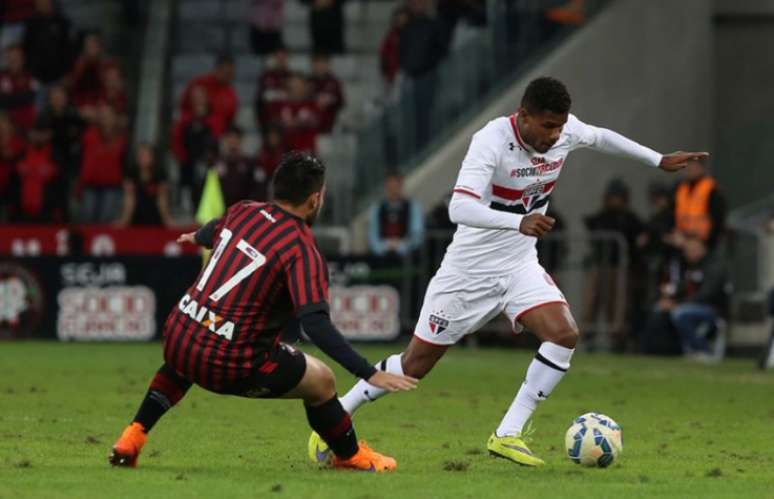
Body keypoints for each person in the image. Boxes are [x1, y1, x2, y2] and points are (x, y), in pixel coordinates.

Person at [310, 76, 709, 466]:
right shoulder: (490, 141)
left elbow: (602, 136)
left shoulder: (565, 131)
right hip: (468, 273)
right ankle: (338, 414)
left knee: (564, 334)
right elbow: (458, 208)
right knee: (415, 366)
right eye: (548, 126)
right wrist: (515, 222)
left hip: (519, 265)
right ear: (524, 116)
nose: (556, 135)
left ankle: (507, 434)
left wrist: (657, 159)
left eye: (560, 126)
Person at [109, 152, 417, 472]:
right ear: (314, 200)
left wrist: (197, 237)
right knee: (322, 382)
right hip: (231, 363)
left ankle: (133, 435)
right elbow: (314, 323)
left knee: (192, 347)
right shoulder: (300, 249)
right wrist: (368, 372)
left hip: (177, 334)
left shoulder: (244, 210)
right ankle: (350, 455)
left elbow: (214, 228)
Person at [582, 178, 646, 350]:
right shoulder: (601, 217)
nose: (615, 201)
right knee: (592, 302)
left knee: (617, 306)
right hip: (600, 265)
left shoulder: (630, 219)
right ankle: (589, 338)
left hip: (620, 268)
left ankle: (618, 340)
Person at [649, 236, 729, 361]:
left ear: (702, 249)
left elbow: (707, 294)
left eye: (692, 249)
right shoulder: (691, 267)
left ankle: (703, 350)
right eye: (686, 250)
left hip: (713, 309)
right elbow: (680, 287)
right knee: (659, 309)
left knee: (680, 313)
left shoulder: (714, 266)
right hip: (689, 306)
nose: (688, 253)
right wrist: (668, 296)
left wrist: (677, 304)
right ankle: (662, 350)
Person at [171, 85, 219, 207]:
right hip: (188, 163)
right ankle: (186, 207)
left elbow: (217, 138)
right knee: (188, 188)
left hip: (208, 163)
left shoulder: (212, 118)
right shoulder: (184, 119)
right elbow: (176, 141)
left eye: (201, 97)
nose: (198, 101)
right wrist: (183, 158)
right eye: (195, 98)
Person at [78, 105, 128, 223]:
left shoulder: (121, 138)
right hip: (90, 183)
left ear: (115, 118)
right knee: (87, 217)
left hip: (111, 185)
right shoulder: (89, 134)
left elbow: (124, 161)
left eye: (109, 115)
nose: (106, 118)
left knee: (106, 219)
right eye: (103, 115)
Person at [14, 122, 64, 222]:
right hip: (22, 212)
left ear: (48, 134)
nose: (38, 136)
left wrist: (59, 208)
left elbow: (60, 184)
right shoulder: (21, 154)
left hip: (47, 212)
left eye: (42, 132)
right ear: (29, 134)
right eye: (35, 132)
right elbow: (14, 182)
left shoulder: (55, 155)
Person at [672, 158, 726, 250]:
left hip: (704, 244)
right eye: (688, 166)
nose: (690, 169)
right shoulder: (680, 188)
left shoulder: (711, 189)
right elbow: (673, 212)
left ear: (701, 167)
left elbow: (718, 219)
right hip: (683, 241)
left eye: (693, 166)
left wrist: (707, 243)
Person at [179, 55, 238, 137]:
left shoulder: (231, 95)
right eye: (227, 73)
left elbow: (230, 121)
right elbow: (184, 107)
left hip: (218, 139)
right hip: (193, 133)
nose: (230, 77)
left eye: (231, 73)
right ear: (217, 69)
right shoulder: (199, 83)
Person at [367, 173, 424, 257]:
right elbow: (372, 235)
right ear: (385, 187)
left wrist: (401, 245)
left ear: (401, 186)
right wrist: (384, 246)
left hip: (408, 256)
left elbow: (417, 234)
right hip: (381, 255)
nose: (393, 190)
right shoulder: (377, 208)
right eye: (390, 187)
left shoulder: (413, 207)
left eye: (395, 186)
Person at [117, 143, 173, 227]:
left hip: (155, 217)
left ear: (152, 157)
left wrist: (168, 221)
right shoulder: (131, 174)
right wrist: (124, 221)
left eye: (145, 155)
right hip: (135, 217)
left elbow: (162, 202)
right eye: (139, 156)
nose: (141, 158)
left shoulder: (160, 175)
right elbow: (129, 201)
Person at [22, 0, 74, 86]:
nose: (44, 5)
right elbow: (26, 48)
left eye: (46, 2)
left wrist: (67, 72)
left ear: (51, 3)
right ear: (36, 5)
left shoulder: (62, 22)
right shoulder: (31, 24)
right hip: (37, 76)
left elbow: (68, 49)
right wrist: (31, 72)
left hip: (59, 75)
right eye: (41, 3)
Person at [66, 31, 118, 114]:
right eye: (88, 46)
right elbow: (72, 88)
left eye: (94, 45)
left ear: (100, 47)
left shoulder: (108, 65)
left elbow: (112, 90)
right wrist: (80, 107)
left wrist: (98, 108)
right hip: (80, 107)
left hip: (102, 108)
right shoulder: (78, 64)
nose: (91, 49)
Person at [274, 74, 321, 153]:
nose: (295, 88)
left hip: (307, 152)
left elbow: (317, 123)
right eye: (293, 84)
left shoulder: (313, 106)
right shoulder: (281, 106)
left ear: (304, 87)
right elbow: (275, 125)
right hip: (285, 153)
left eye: (298, 85)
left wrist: (296, 123)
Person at [213, 126, 258, 207]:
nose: (232, 141)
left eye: (236, 138)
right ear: (225, 140)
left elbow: (254, 190)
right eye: (230, 137)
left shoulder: (249, 163)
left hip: (242, 211)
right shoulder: (216, 163)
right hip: (221, 211)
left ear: (241, 140)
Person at [0, 44, 38, 131]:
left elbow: (30, 98)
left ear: (22, 58)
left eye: (16, 56)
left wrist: (9, 98)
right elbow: (2, 101)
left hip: (26, 123)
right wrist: (19, 96)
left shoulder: (30, 75)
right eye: (10, 57)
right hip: (6, 123)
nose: (13, 59)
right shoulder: (2, 75)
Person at [255, 45, 291, 131]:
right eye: (278, 57)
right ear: (274, 58)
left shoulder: (291, 77)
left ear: (287, 58)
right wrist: (261, 121)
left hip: (287, 125)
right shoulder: (266, 77)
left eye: (283, 57)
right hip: (269, 124)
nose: (281, 60)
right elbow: (259, 101)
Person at [309, 52, 344, 133]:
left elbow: (341, 102)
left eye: (323, 62)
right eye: (318, 62)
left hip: (330, 123)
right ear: (313, 64)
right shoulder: (308, 82)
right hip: (311, 124)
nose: (321, 66)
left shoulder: (335, 83)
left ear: (328, 64)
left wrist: (330, 101)